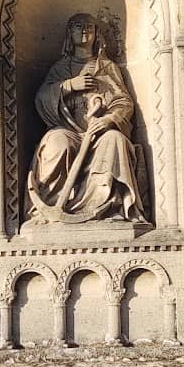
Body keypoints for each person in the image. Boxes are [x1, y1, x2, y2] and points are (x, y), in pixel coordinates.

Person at [27, 12, 147, 223]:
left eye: (89, 26)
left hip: (99, 134)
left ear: (96, 33)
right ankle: (52, 201)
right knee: (57, 141)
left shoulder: (107, 67)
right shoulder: (61, 69)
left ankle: (109, 208)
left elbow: (124, 101)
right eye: (78, 26)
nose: (84, 30)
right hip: (70, 131)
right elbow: (42, 99)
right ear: (69, 34)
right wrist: (68, 86)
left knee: (115, 140)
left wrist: (109, 120)